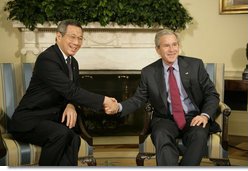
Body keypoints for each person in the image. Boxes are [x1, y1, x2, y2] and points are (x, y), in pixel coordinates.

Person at [9, 19, 117, 166]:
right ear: (59, 36)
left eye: (80, 38)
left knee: (74, 138)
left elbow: (73, 92)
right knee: (60, 134)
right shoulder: (47, 59)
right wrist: (104, 100)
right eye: (72, 37)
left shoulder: (73, 63)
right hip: (29, 121)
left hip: (50, 120)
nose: (77, 42)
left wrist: (71, 105)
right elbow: (71, 90)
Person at [105, 29, 220, 166]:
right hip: (165, 119)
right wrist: (119, 106)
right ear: (157, 49)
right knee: (160, 134)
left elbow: (211, 94)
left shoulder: (195, 65)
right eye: (166, 46)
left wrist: (205, 116)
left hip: (194, 117)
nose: (172, 49)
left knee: (199, 135)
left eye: (174, 44)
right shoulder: (149, 72)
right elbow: (138, 99)